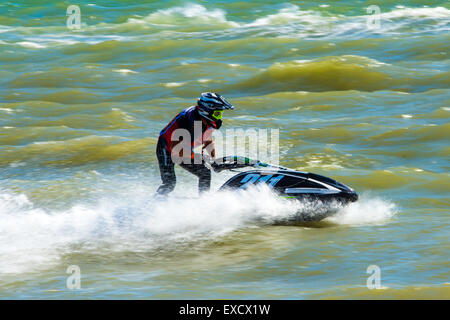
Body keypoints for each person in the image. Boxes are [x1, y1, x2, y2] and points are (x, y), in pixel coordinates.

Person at [156, 92, 234, 195]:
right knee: (169, 183)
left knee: (205, 172)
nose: (219, 118)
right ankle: (153, 202)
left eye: (221, 114)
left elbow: (207, 140)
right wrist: (201, 158)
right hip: (166, 148)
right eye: (217, 114)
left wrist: (214, 160)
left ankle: (203, 202)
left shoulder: (205, 120)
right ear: (206, 111)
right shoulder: (190, 122)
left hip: (183, 149)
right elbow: (177, 151)